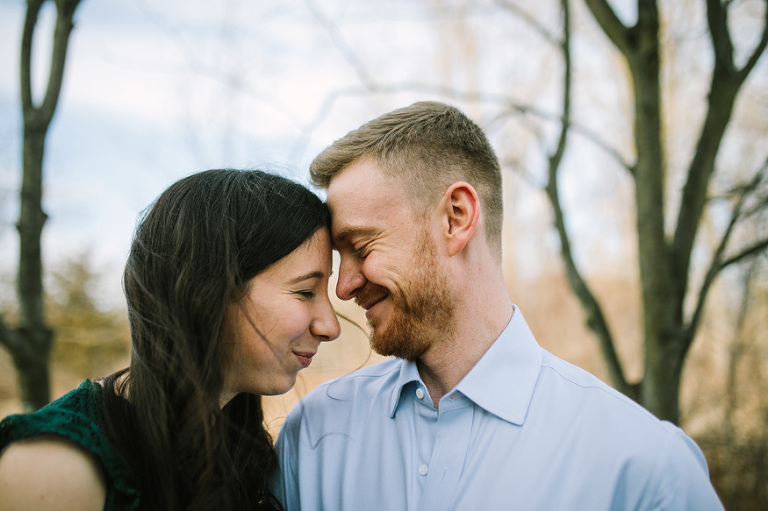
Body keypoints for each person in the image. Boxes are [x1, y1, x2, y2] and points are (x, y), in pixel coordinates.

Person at [272, 102, 724, 510]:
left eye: (362, 246)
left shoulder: (644, 468)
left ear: (456, 218)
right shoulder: (311, 439)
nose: (345, 286)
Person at [0, 168, 340, 510]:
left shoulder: (239, 447)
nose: (330, 326)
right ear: (209, 291)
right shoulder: (54, 470)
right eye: (306, 291)